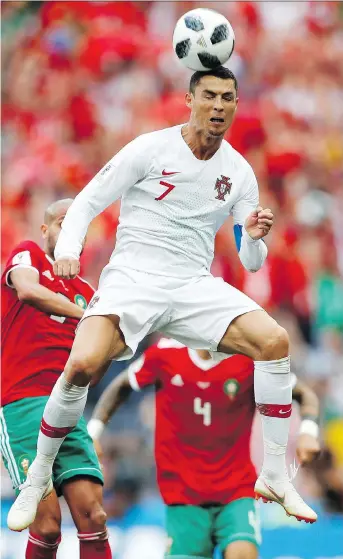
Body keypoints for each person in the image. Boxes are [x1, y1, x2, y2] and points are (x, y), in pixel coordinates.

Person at [8, 66, 316, 530]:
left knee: (274, 343)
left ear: (236, 105)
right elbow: (89, 200)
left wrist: (252, 237)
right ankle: (36, 481)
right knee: (82, 366)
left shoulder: (238, 172)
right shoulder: (151, 148)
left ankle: (273, 474)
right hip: (133, 279)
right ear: (188, 100)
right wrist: (68, 252)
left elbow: (253, 261)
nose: (218, 106)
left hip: (192, 283)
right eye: (208, 96)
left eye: (227, 98)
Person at [87, 338, 321, 559]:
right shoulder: (164, 353)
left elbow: (304, 393)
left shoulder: (248, 360)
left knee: (243, 552)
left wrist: (308, 432)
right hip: (183, 496)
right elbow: (121, 385)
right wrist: (94, 432)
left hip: (235, 491)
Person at [1, 200, 111, 558]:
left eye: (77, 225)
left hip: (68, 408)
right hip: (22, 402)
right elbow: (29, 292)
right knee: (46, 524)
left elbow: (93, 376)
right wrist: (91, 316)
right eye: (63, 223)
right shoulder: (29, 256)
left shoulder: (91, 292)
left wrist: (111, 340)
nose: (70, 231)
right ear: (46, 230)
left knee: (94, 516)